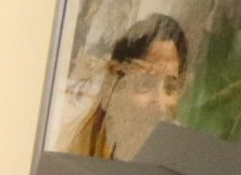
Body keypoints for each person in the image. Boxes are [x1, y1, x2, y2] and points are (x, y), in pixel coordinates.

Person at [63, 12, 189, 163]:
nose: (160, 106)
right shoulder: (72, 151)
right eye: (145, 84)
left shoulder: (180, 157)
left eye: (170, 88)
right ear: (114, 87)